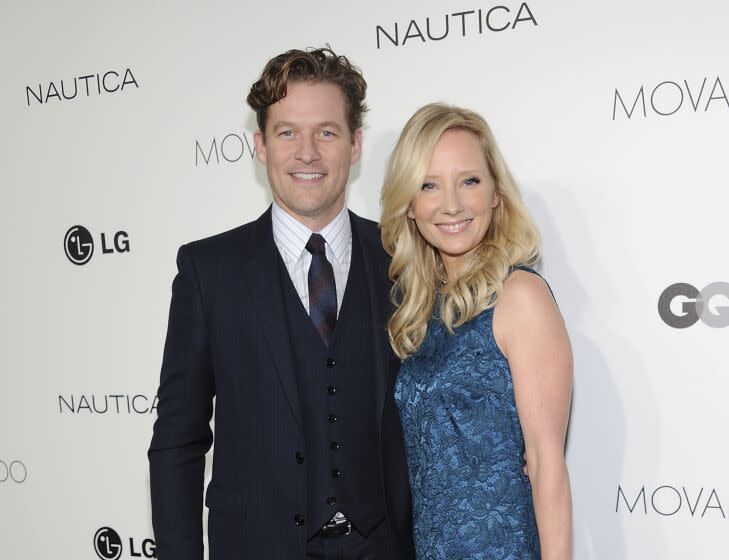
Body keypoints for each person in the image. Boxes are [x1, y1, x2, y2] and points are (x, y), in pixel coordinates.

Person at [148, 48, 415, 560]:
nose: (308, 153)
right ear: (261, 146)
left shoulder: (402, 260)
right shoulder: (210, 272)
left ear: (355, 144)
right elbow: (178, 441)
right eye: (287, 132)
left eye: (327, 132)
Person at [380, 103, 573, 559]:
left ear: (496, 194)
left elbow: (547, 465)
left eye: (469, 180)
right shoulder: (417, 307)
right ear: (409, 205)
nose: (451, 204)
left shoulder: (519, 296)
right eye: (429, 185)